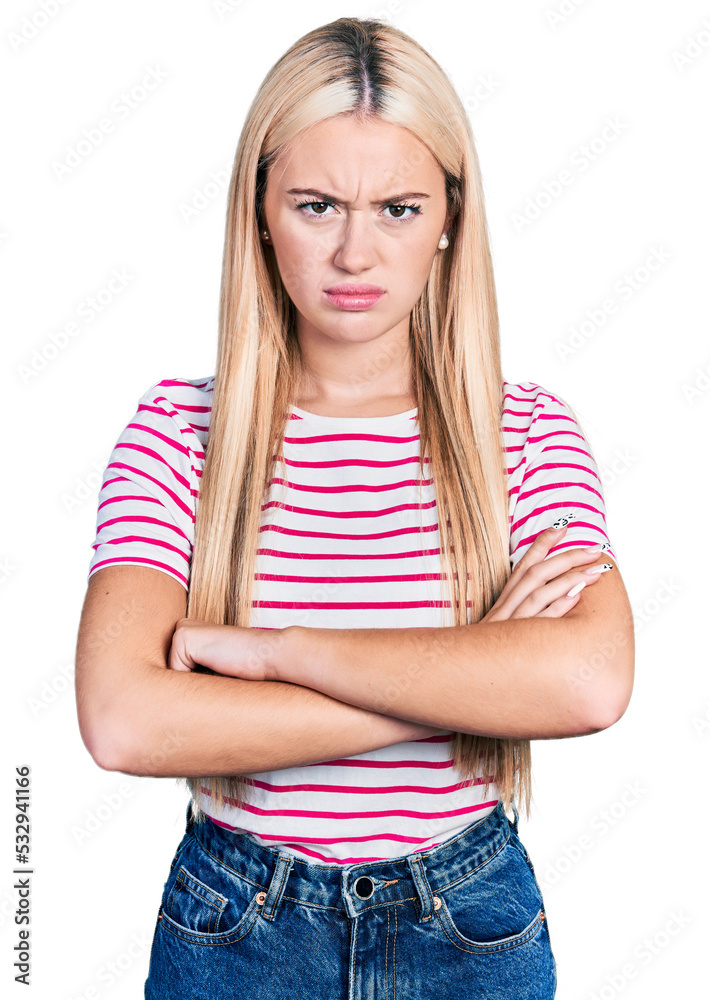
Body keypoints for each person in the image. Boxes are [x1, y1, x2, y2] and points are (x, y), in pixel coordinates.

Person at [75, 16, 634, 999]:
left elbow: (586, 682)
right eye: (316, 204)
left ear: (450, 216)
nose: (352, 252)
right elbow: (124, 719)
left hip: (466, 919)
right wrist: (457, 679)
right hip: (234, 921)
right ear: (258, 210)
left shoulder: (526, 434)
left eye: (398, 208)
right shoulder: (176, 432)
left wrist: (278, 652)